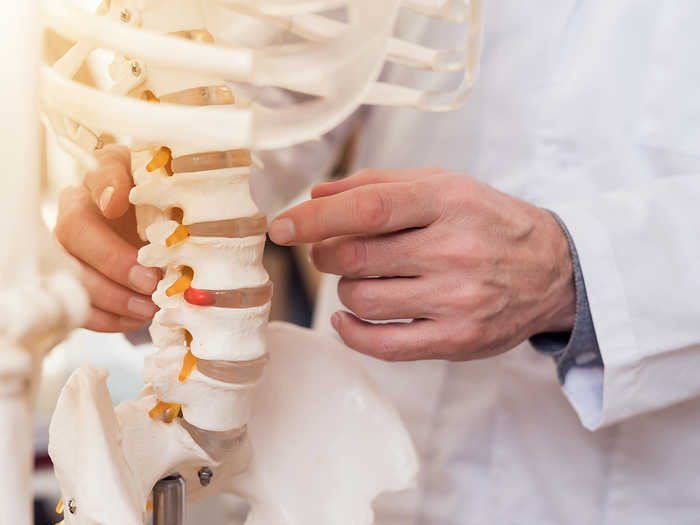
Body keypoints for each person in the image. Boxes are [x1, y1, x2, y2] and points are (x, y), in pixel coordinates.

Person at [56, 2, 700, 523]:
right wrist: (158, 194)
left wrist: (578, 269)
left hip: (649, 489)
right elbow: (277, 84)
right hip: (365, 469)